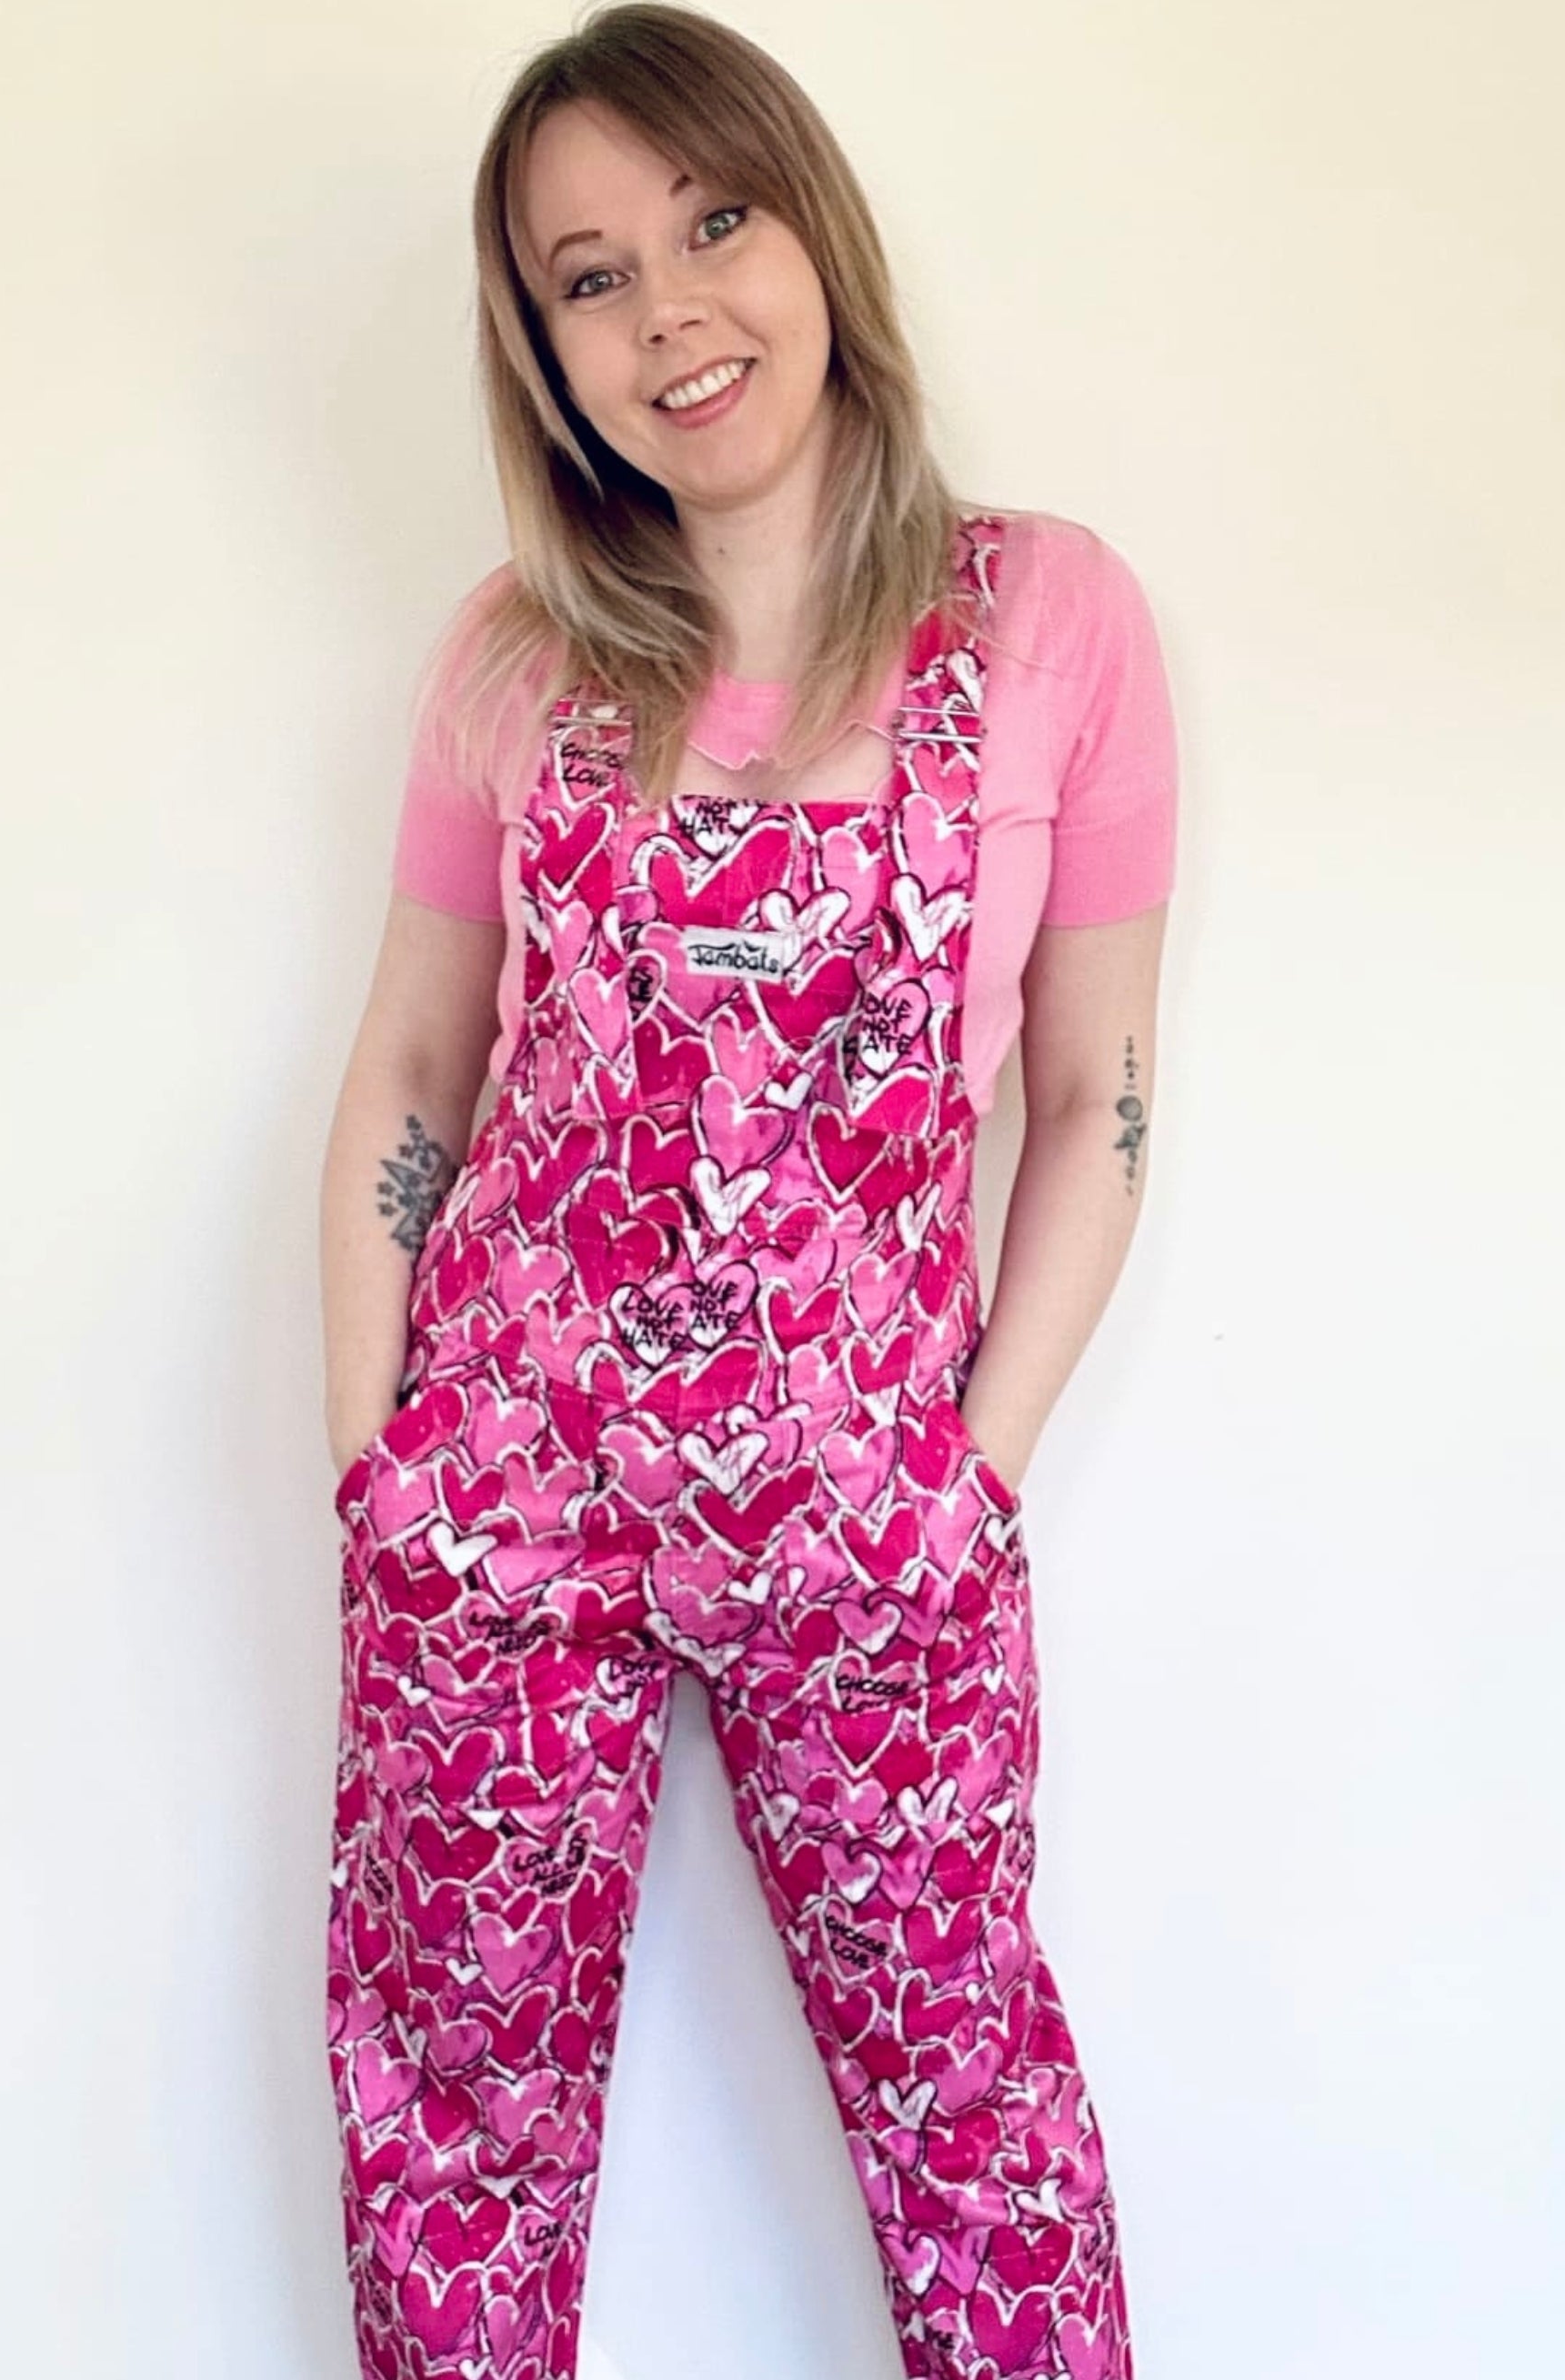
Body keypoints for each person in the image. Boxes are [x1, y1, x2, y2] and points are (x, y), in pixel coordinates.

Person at [317, 6, 1178, 2376]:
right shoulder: (512, 663)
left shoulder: (1048, 622)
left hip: (867, 1512)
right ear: (546, 354)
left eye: (709, 220)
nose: (669, 306)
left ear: (810, 230)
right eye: (587, 276)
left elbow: (1098, 1087)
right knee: (452, 2146)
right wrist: (380, 1468)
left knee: (975, 2131)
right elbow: (408, 1058)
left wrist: (964, 1473)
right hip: (507, 1492)